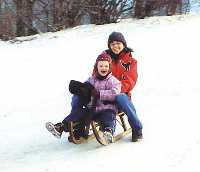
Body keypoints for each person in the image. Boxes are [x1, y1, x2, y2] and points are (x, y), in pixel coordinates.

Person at [46, 52, 121, 143]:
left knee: (108, 116)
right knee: (78, 113)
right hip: (92, 108)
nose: (103, 68)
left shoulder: (113, 81)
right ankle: (60, 127)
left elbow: (115, 93)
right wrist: (82, 89)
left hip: (107, 108)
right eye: (100, 66)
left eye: (106, 66)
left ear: (109, 67)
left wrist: (99, 93)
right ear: (96, 67)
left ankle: (108, 131)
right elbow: (85, 87)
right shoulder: (92, 79)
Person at [104, 31, 143, 142]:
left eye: (118, 43)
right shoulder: (104, 60)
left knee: (120, 97)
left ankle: (137, 129)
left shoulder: (131, 62)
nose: (115, 46)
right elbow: (95, 75)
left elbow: (130, 81)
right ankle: (79, 127)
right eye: (112, 44)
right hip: (105, 96)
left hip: (121, 96)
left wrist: (113, 90)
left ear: (123, 44)